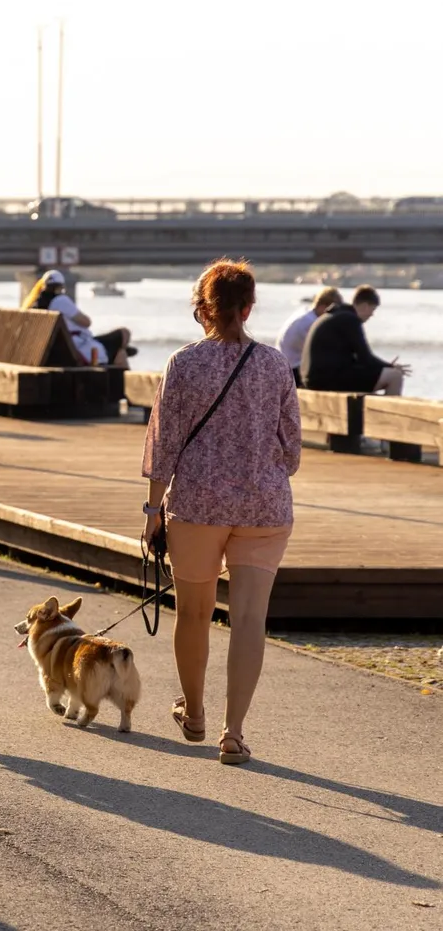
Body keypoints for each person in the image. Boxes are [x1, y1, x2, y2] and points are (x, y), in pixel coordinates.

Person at [142, 259, 301, 766]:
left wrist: (152, 511)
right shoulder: (275, 364)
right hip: (264, 506)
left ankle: (193, 713)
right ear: (249, 307)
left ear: (203, 308)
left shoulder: (183, 364)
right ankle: (234, 734)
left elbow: (164, 445)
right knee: (250, 619)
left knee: (193, 612)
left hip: (196, 506)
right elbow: (292, 450)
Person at [300, 286, 408, 395]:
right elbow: (366, 358)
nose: (372, 314)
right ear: (365, 306)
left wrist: (382, 367)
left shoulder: (333, 315)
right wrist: (391, 366)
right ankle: (388, 412)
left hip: (312, 379)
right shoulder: (351, 319)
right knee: (395, 376)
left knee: (371, 387)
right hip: (326, 380)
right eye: (373, 309)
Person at [22, 270, 132, 366]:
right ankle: (125, 386)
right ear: (61, 286)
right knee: (123, 337)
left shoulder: (34, 304)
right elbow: (86, 322)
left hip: (55, 350)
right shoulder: (60, 301)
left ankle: (124, 352)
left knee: (119, 349)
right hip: (76, 350)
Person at [274, 287, 342, 387]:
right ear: (323, 307)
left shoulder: (305, 313)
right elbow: (322, 353)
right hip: (292, 371)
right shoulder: (312, 323)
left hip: (282, 366)